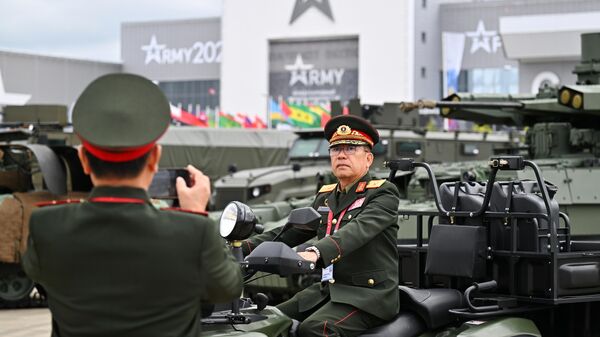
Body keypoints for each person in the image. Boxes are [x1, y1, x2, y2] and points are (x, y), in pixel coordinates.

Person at [21, 73, 243, 337]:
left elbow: (41, 274)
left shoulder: (47, 226)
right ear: (154, 158)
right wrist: (195, 214)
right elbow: (227, 288)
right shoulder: (193, 232)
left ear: (84, 159)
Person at [242, 115, 400, 337]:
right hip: (328, 290)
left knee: (316, 329)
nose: (342, 154)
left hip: (368, 295)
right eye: (336, 149)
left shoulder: (383, 193)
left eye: (351, 148)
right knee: (267, 321)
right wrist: (243, 248)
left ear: (368, 159)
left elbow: (358, 230)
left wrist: (316, 252)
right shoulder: (326, 197)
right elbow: (290, 231)